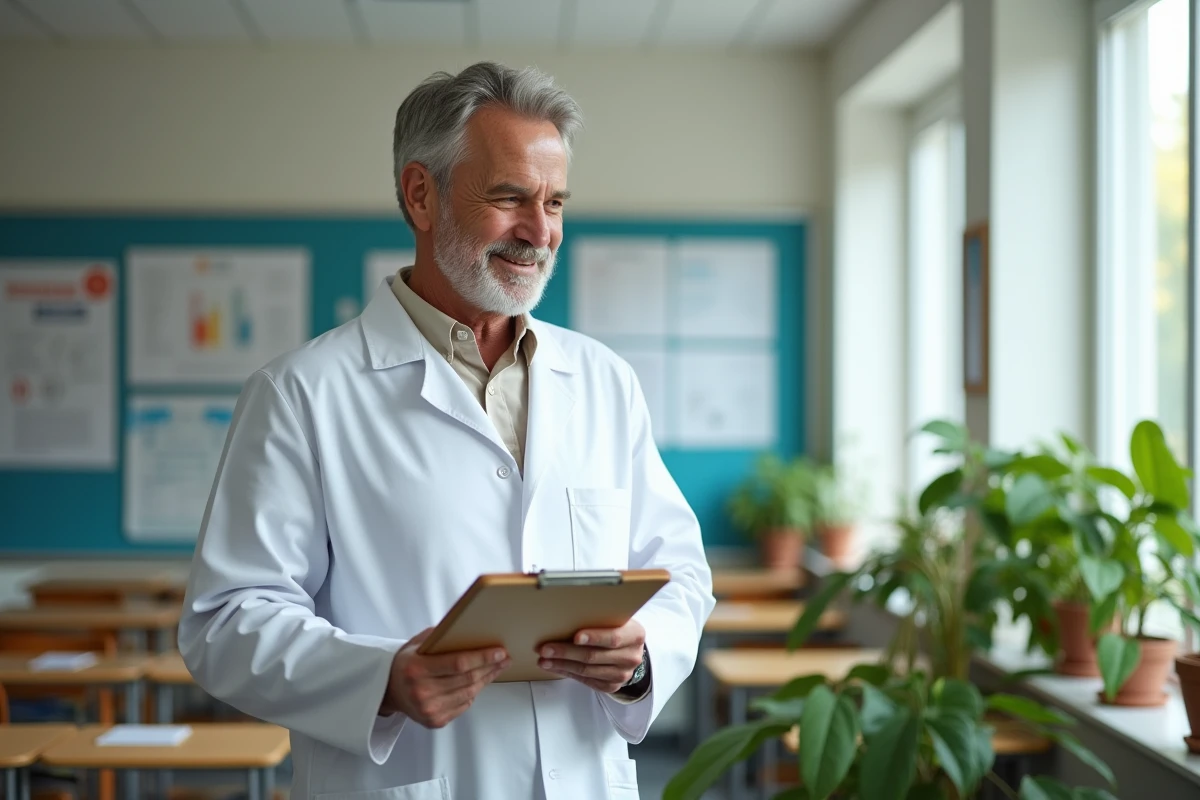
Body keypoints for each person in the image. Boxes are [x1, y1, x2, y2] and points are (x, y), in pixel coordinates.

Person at [178, 61, 714, 800]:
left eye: (555, 202)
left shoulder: (602, 381)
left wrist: (641, 656)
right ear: (420, 194)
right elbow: (224, 623)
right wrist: (381, 680)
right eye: (509, 197)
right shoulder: (301, 394)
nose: (540, 232)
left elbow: (679, 570)